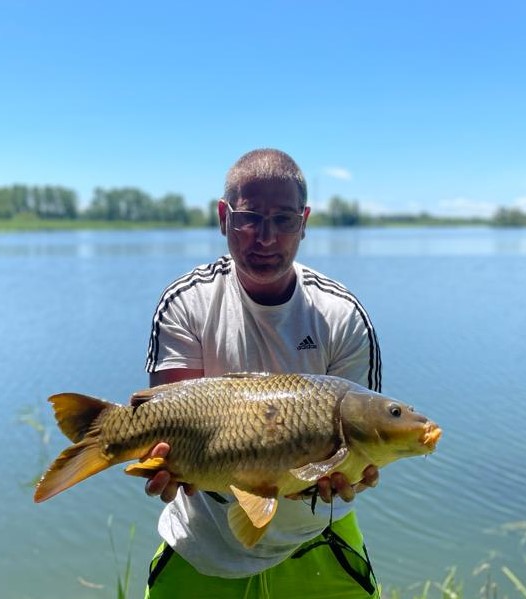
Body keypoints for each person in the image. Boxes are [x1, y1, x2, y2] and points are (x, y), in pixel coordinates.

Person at [142, 148, 383, 598]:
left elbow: (359, 446)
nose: (266, 238)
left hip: (316, 540)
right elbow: (169, 424)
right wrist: (167, 464)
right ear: (223, 217)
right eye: (250, 217)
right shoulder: (185, 303)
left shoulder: (342, 316)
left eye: (284, 219)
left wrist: (354, 475)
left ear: (305, 221)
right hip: (201, 545)